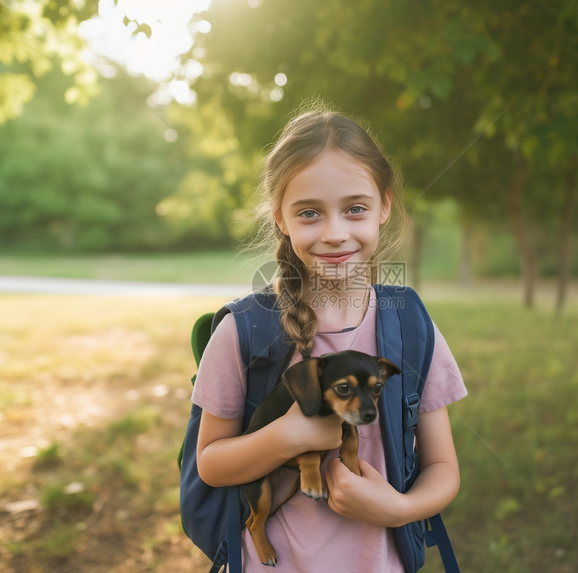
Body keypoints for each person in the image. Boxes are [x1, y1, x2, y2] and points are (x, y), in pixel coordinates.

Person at [191, 107, 467, 572]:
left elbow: (444, 469)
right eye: (310, 213)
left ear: (384, 206)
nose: (335, 234)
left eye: (354, 209)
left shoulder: (411, 326)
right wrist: (287, 435)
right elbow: (211, 465)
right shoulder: (243, 330)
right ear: (281, 218)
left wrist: (397, 508)